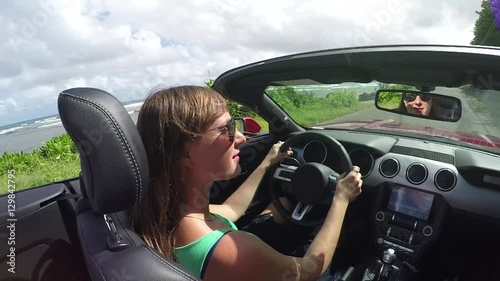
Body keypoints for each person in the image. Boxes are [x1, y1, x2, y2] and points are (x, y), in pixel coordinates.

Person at [132, 85, 363, 281]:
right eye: (226, 129)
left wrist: (266, 163)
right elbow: (310, 268)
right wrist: (341, 198)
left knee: (282, 204)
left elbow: (232, 209)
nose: (241, 138)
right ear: (186, 154)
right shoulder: (232, 249)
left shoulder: (171, 214)